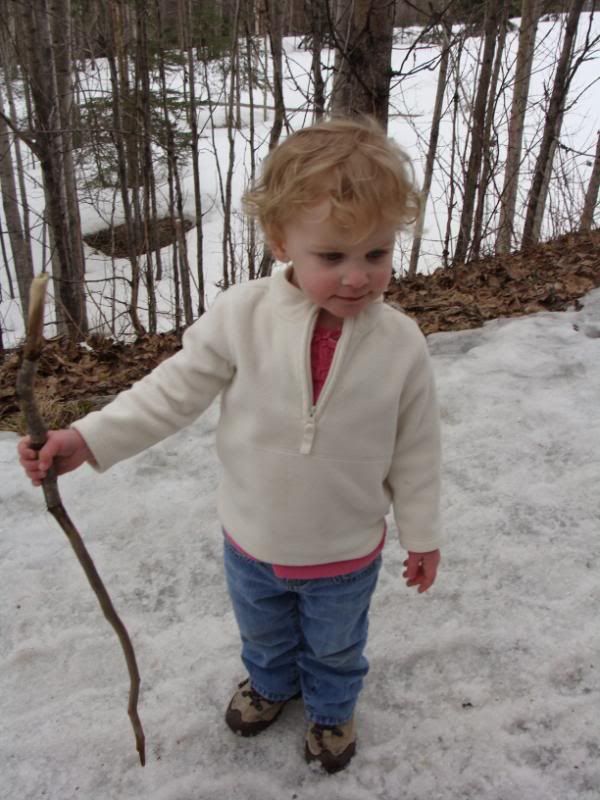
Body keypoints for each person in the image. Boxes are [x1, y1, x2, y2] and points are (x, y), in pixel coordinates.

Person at [18, 116, 442, 775]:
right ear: (282, 242)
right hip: (252, 541)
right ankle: (270, 685)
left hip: (344, 553)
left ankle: (331, 710)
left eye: (376, 254)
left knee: (334, 648)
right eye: (332, 256)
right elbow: (171, 392)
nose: (357, 277)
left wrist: (423, 533)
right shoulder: (241, 317)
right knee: (264, 635)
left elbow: (416, 449)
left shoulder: (401, 345)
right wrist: (87, 438)